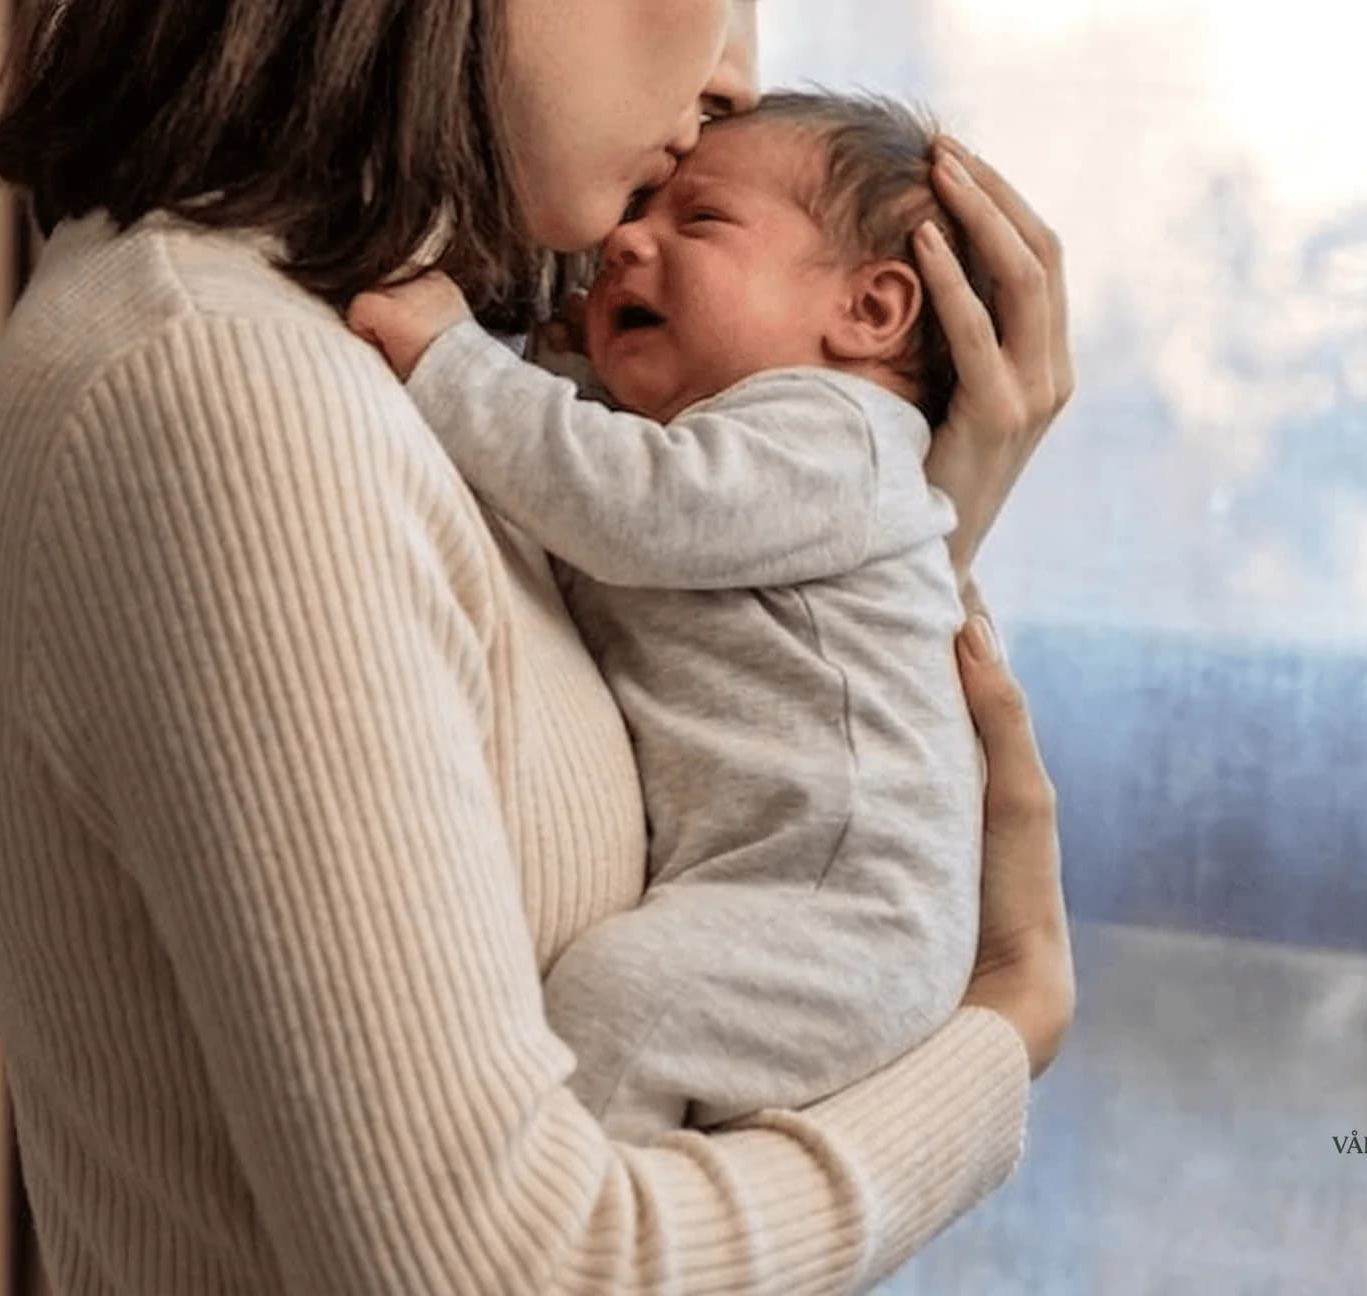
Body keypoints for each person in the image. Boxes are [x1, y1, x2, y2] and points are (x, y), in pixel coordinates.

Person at [0, 0, 1076, 1296]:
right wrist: (999, 1033)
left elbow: (683, 765)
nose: (736, 74)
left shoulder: (382, 362)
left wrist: (907, 514)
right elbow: (509, 1267)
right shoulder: (224, 400)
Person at [348, 88, 1002, 1141]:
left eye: (697, 220)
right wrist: (561, 358)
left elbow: (630, 503)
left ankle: (556, 1229)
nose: (623, 241)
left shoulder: (843, 435)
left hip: (844, 916)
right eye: (637, 211)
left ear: (871, 311)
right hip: (783, 900)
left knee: (625, 998)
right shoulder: (729, 441)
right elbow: (600, 474)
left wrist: (449, 352)